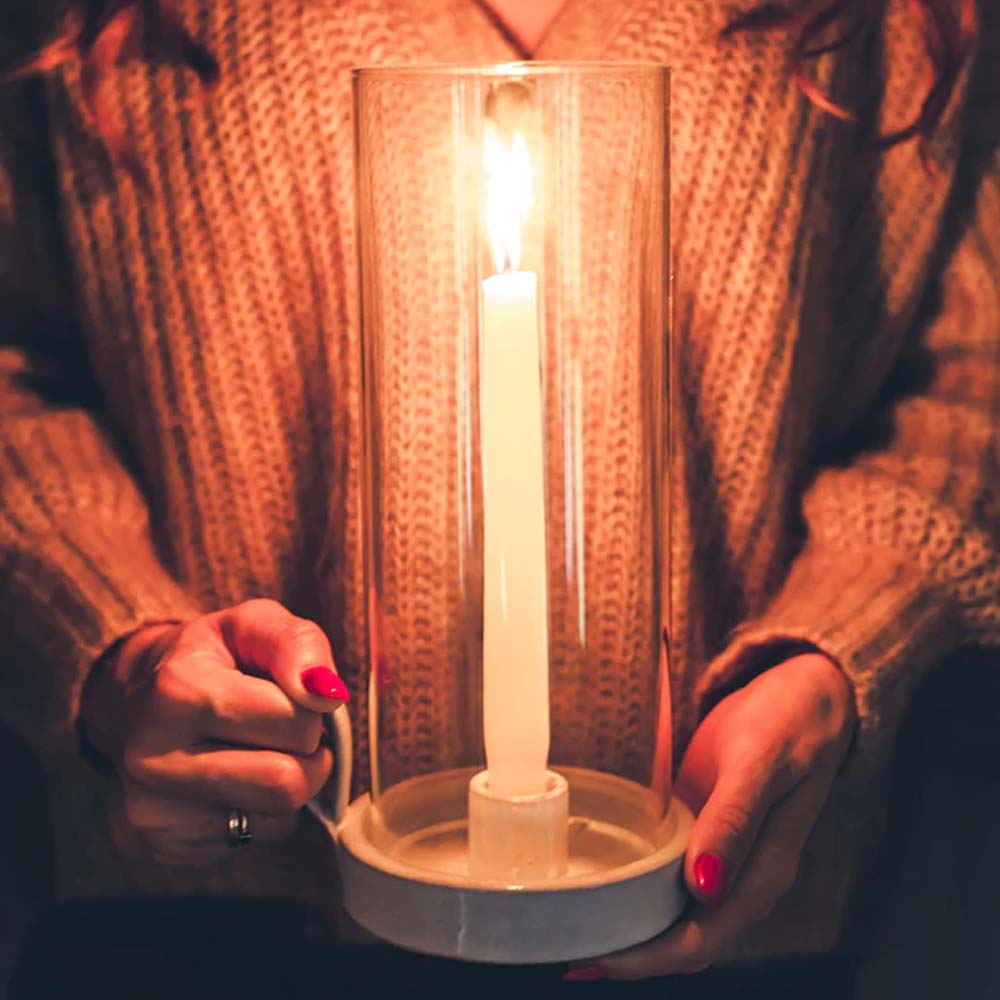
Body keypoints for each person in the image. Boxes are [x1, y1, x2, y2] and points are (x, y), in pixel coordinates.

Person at [0, 0, 997, 986]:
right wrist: (116, 646)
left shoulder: (899, 22)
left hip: (722, 900)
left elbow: (966, 375)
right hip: (195, 921)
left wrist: (842, 642)